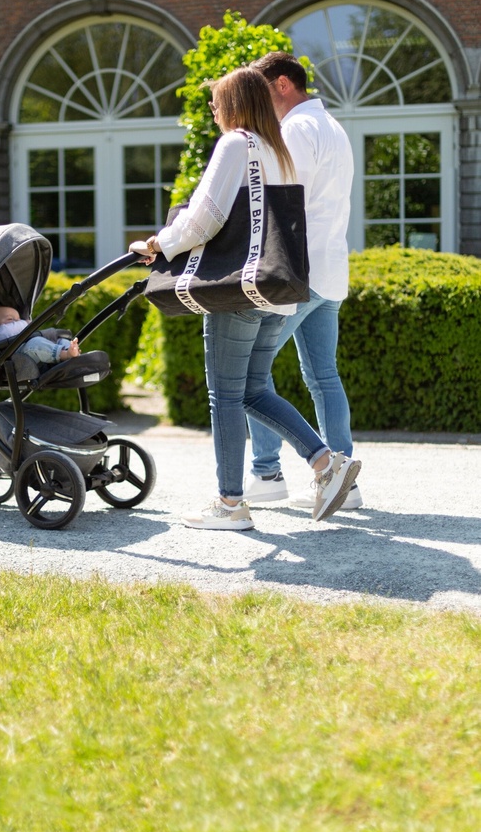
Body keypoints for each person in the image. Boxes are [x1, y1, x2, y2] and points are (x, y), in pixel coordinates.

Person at [130, 64, 361, 530]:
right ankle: (326, 463)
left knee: (226, 394)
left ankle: (231, 503)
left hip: (237, 288)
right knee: (254, 388)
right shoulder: (279, 147)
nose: (213, 111)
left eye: (216, 102)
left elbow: (205, 217)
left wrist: (158, 244)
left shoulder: (237, 143)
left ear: (233, 104)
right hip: (277, 289)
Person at [244, 52, 362, 511]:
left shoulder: (294, 129)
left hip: (298, 274)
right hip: (331, 271)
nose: (259, 101)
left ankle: (267, 473)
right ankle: (345, 484)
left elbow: (282, 203)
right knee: (324, 377)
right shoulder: (333, 127)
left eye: (262, 90)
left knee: (254, 371)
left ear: (282, 84)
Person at [0, 305, 80, 367]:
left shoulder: (18, 326)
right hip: (15, 357)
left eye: (19, 319)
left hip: (29, 351)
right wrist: (27, 323)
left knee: (59, 340)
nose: (18, 322)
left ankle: (71, 350)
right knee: (36, 343)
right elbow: (8, 330)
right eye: (10, 319)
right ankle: (66, 355)